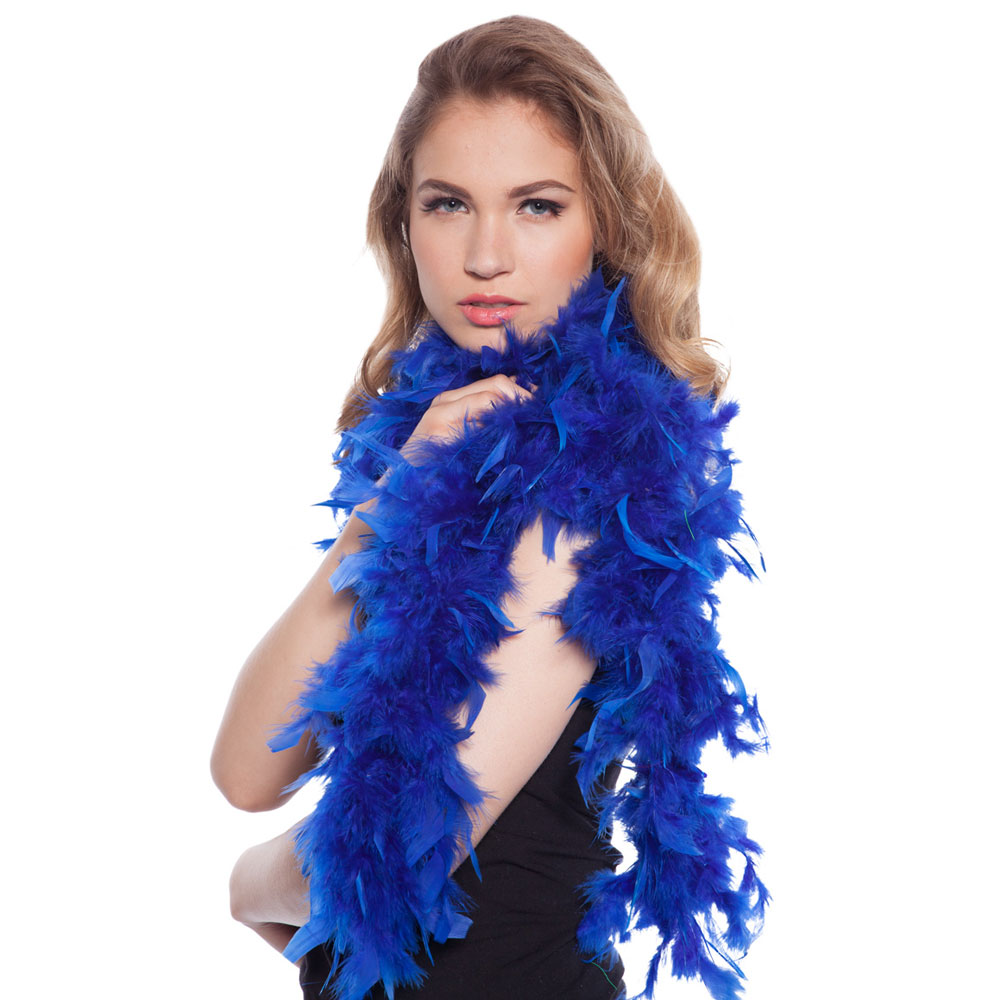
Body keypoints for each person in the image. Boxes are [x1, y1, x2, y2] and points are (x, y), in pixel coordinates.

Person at [212, 15, 766, 1000]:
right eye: (448, 204)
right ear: (405, 223)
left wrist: (247, 882)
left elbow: (393, 851)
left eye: (537, 206)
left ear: (604, 227)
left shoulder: (590, 485)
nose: (485, 254)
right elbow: (248, 771)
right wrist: (381, 508)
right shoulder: (440, 441)